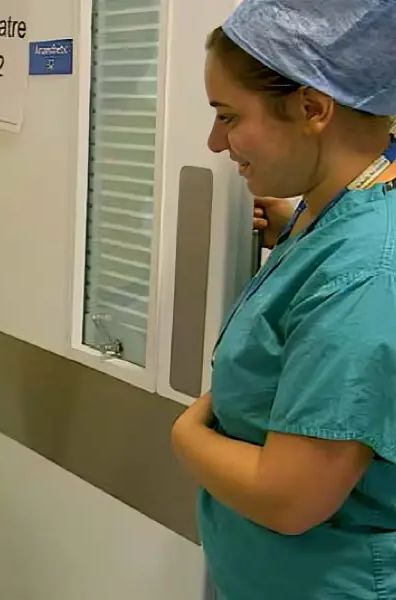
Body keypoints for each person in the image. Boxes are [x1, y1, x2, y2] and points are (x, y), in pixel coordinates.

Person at [170, 0, 396, 598]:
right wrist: (293, 234)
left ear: (313, 108)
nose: (215, 142)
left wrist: (188, 432)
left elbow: (290, 499)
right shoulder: (334, 213)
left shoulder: (365, 272)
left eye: (228, 116)